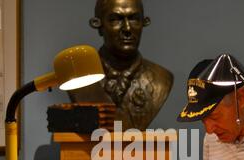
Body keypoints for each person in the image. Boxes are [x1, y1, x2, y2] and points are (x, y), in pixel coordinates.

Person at [69, 0, 173, 131]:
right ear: (98, 25)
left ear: (144, 22)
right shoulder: (78, 76)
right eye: (115, 19)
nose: (127, 29)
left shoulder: (162, 79)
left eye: (134, 19)